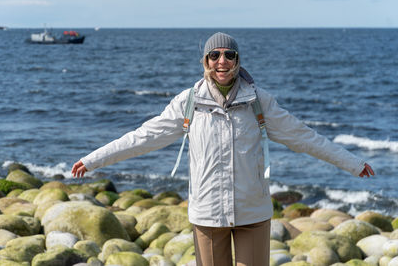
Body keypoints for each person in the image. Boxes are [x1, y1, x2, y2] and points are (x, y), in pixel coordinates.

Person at [72, 32, 375, 266]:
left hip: (252, 212)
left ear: (237, 60)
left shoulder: (259, 101)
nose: (222, 61)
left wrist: (352, 163)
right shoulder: (189, 102)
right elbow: (142, 137)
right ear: (205, 60)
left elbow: (304, 137)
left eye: (229, 55)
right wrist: (94, 159)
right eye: (214, 55)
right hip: (207, 215)